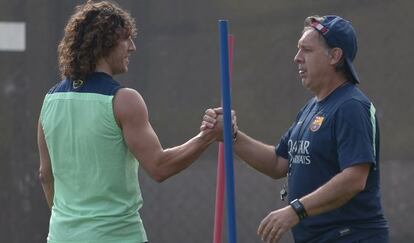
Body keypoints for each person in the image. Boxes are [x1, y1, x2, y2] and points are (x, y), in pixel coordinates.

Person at [37, 1, 217, 242]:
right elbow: (159, 167)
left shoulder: (49, 101)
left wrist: (71, 223)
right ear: (104, 43)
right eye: (125, 39)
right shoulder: (123, 100)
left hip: (61, 235)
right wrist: (207, 137)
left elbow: (44, 175)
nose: (132, 47)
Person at [202, 15, 389, 243]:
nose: (297, 58)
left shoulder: (351, 107)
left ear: (335, 56)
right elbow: (277, 163)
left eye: (307, 50)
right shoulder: (311, 109)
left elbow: (354, 179)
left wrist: (295, 210)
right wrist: (231, 136)